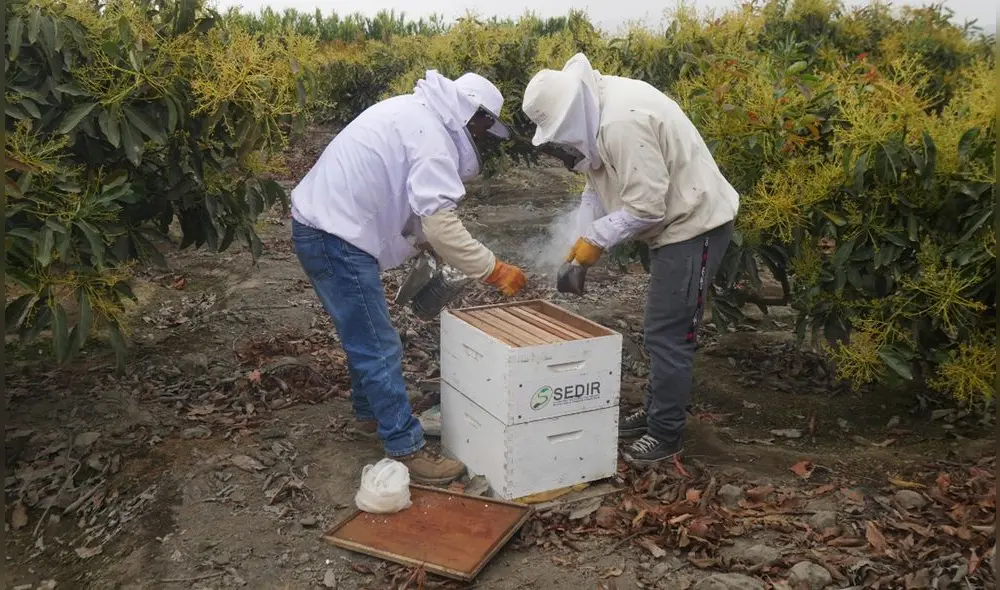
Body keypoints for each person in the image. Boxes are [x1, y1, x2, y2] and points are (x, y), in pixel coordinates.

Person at [290, 70, 527, 484]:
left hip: (326, 227)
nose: (484, 138)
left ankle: (371, 414)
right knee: (379, 345)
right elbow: (440, 225)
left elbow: (407, 199)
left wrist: (428, 244)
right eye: (484, 128)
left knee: (366, 334)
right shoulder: (432, 138)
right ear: (475, 116)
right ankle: (406, 447)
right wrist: (494, 269)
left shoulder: (416, 115)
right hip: (335, 236)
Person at [522, 53, 740, 466]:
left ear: (570, 113)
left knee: (668, 334)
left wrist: (596, 241)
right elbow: (595, 188)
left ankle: (666, 434)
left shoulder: (621, 123)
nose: (562, 144)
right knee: (660, 329)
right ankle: (656, 411)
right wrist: (578, 239)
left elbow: (646, 209)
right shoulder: (598, 111)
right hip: (675, 225)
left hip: (694, 227)